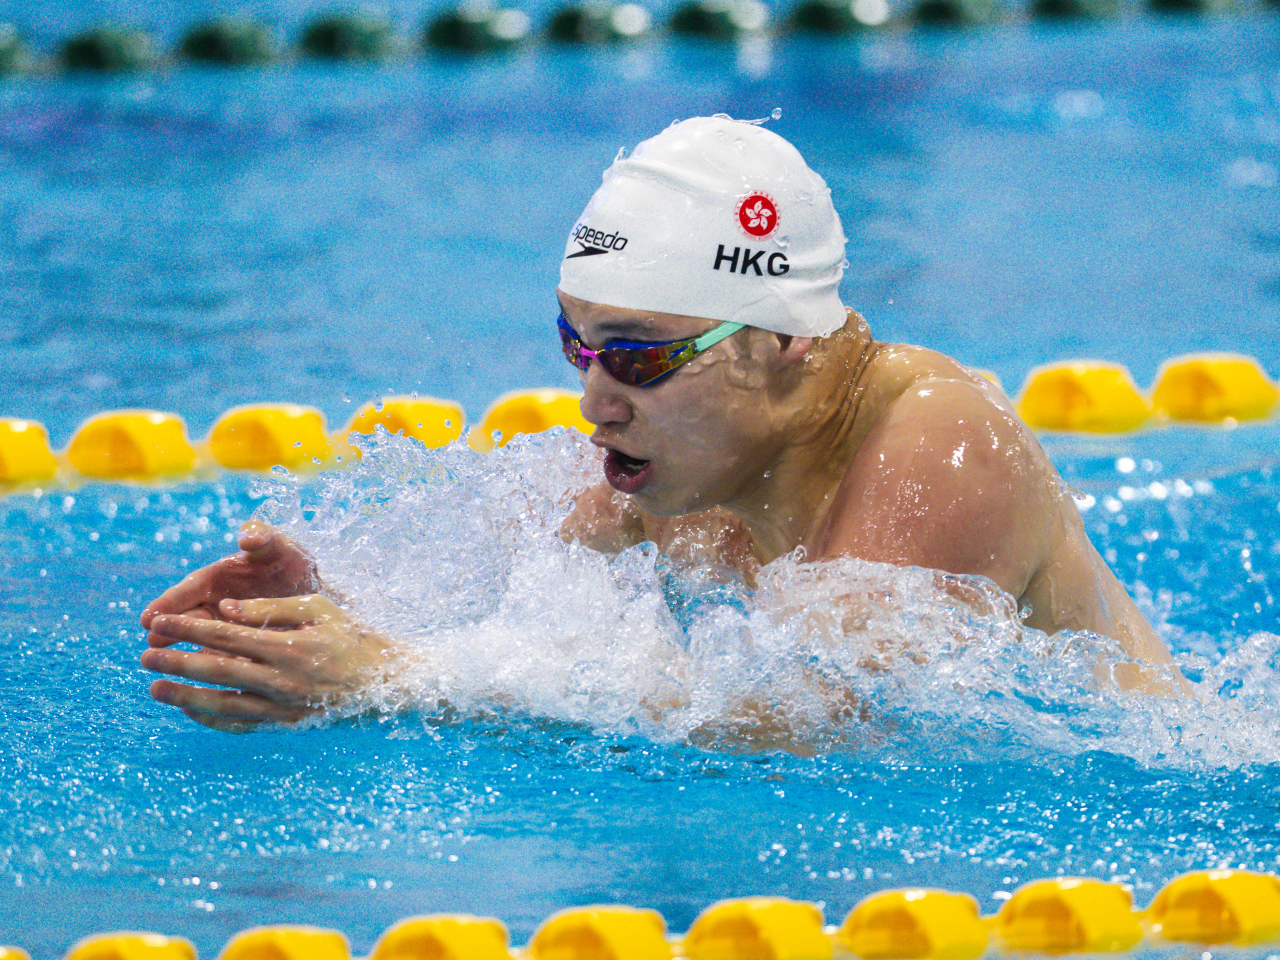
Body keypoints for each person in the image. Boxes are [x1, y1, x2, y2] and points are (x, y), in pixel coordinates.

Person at [140, 116, 1180, 733]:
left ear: (784, 344)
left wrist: (410, 684)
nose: (594, 400)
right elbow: (505, 624)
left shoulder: (940, 439)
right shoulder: (677, 471)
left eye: (637, 356)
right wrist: (312, 629)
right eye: (576, 346)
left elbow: (828, 716)